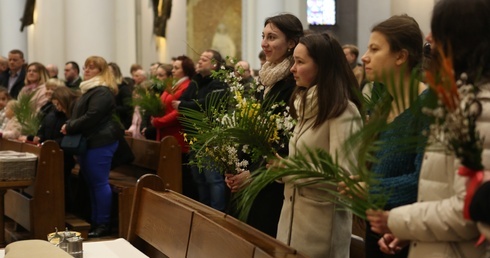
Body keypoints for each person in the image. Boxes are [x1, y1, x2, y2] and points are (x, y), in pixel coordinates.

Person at [366, 0, 490, 257]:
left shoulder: (479, 109)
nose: (429, 39)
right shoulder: (456, 101)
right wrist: (409, 231)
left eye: (439, 31)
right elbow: (438, 187)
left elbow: (469, 209)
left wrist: (397, 219)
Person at [225, 13, 303, 238]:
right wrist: (236, 167)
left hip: (272, 183)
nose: (264, 43)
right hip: (249, 177)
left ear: (291, 43)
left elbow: (286, 140)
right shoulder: (264, 81)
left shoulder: (293, 84)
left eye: (272, 37)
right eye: (263, 36)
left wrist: (253, 174)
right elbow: (251, 129)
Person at [358, 14, 426, 258]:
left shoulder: (426, 107)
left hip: (405, 237)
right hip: (376, 228)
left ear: (401, 56)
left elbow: (423, 181)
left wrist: (369, 187)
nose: (364, 57)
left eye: (374, 49)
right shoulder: (384, 104)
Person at [61, 56, 122, 238]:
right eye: (86, 67)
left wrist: (70, 126)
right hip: (91, 142)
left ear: (101, 72)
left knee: (99, 183)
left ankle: (103, 224)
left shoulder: (102, 91)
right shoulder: (90, 90)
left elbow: (93, 115)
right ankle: (95, 221)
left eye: (91, 68)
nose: (86, 70)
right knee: (92, 183)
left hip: (101, 142)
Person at [173, 49, 228, 211]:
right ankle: (204, 213)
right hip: (193, 135)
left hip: (210, 137)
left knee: (213, 179)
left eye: (204, 59)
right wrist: (187, 105)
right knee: (199, 179)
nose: (200, 61)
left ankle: (217, 215)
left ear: (215, 64)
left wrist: (185, 106)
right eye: (200, 58)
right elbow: (182, 100)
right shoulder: (197, 80)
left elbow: (207, 106)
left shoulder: (219, 82)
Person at [152, 55, 198, 200]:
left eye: (176, 68)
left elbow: (178, 112)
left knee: (181, 176)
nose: (173, 70)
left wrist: (159, 121)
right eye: (173, 67)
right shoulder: (173, 84)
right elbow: (162, 103)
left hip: (177, 136)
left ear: (185, 70)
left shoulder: (187, 86)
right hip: (166, 134)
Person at [108, 62, 133, 129]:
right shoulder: (107, 87)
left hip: (122, 123)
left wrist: (111, 109)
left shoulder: (123, 88)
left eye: (109, 72)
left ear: (115, 73)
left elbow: (128, 108)